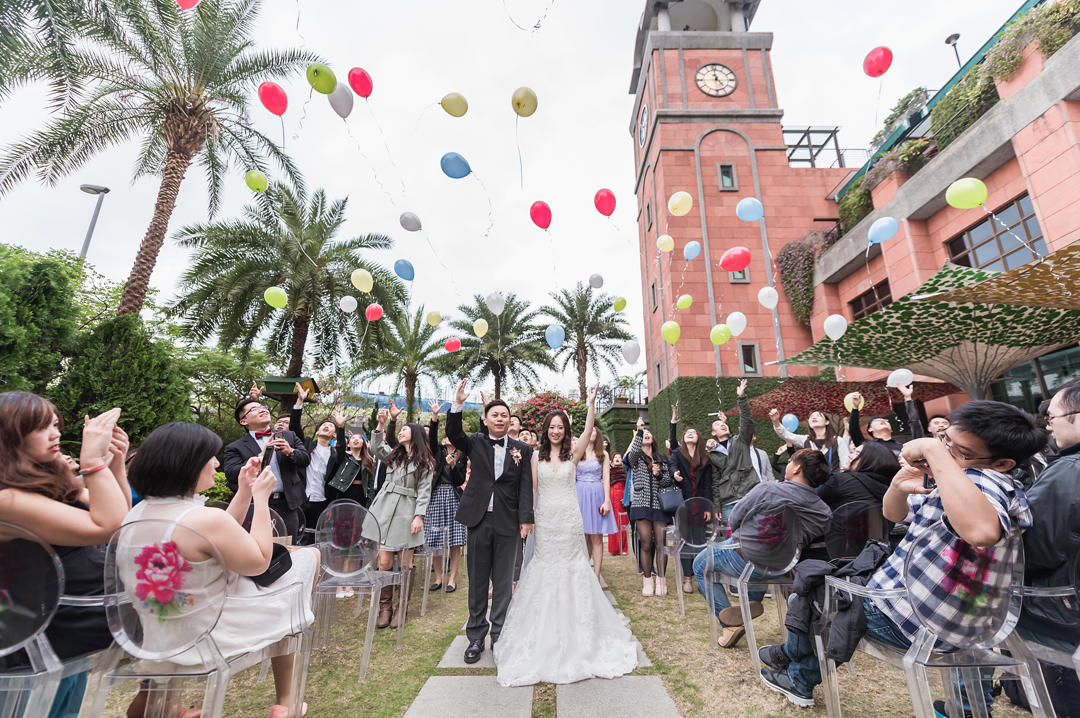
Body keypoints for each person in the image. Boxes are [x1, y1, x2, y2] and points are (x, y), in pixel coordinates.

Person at [758, 400, 1045, 710]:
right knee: (839, 587)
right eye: (945, 440)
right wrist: (898, 485)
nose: (947, 453)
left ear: (1002, 464)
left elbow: (982, 531)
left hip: (907, 616)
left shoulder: (982, 481)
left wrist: (935, 453)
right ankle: (968, 709)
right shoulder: (969, 481)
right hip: (970, 625)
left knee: (812, 587)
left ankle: (798, 675)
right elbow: (893, 515)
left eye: (960, 452)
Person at [124, 422, 319, 718]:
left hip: (158, 631)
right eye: (209, 458)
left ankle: (158, 697)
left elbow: (214, 538)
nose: (216, 464)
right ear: (186, 465)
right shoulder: (200, 519)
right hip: (209, 633)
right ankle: (286, 702)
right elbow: (259, 560)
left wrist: (243, 491)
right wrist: (261, 499)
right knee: (306, 563)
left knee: (290, 583)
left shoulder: (136, 514)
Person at [494, 384, 638, 686]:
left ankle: (580, 632)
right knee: (545, 568)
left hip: (571, 520)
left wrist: (590, 403)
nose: (556, 431)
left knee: (574, 570)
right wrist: (528, 519)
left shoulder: (574, 454)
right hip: (547, 519)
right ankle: (544, 632)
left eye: (561, 427)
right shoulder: (535, 457)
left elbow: (588, 431)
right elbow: (532, 490)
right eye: (552, 427)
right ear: (546, 430)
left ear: (565, 429)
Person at [0, 394, 130, 718]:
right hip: (30, 643)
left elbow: (121, 521)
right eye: (42, 426)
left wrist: (113, 462)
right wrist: (92, 462)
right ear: (9, 436)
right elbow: (106, 524)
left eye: (55, 424)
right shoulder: (7, 499)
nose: (55, 433)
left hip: (65, 634)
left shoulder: (45, 480)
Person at [693, 449, 832, 648]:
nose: (788, 465)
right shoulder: (823, 511)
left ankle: (728, 625)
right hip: (782, 567)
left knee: (700, 563)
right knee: (763, 560)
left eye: (791, 461)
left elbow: (734, 518)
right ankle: (747, 607)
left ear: (797, 468)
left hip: (744, 557)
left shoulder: (768, 489)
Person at [446, 379, 534, 664]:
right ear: (485, 419)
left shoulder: (522, 448)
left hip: (508, 522)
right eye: (494, 414)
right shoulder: (475, 442)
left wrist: (526, 520)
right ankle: (475, 637)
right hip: (479, 520)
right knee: (478, 580)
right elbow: (453, 433)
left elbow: (524, 486)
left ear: (510, 420)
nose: (500, 418)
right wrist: (457, 405)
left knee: (505, 579)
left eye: (504, 415)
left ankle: (499, 634)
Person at [1014, 377, 1080, 716]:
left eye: (1051, 418)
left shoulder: (1069, 470)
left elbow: (1031, 553)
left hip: (1063, 611)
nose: (1048, 427)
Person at [368, 407, 435, 630]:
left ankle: (401, 608)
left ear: (415, 435)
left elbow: (425, 491)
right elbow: (376, 446)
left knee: (405, 562)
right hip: (385, 510)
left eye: (405, 430)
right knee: (384, 562)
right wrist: (382, 423)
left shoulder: (426, 463)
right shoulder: (394, 456)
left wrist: (419, 517)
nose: (401, 432)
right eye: (401, 430)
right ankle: (384, 607)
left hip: (407, 512)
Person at [223, 395, 310, 539]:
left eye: (263, 407)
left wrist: (291, 452)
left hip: (287, 504)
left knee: (287, 549)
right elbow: (231, 474)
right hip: (255, 505)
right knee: (256, 548)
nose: (262, 410)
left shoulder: (289, 436)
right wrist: (259, 457)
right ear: (244, 421)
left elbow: (305, 460)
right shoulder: (235, 447)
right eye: (254, 409)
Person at [288, 384, 346, 542]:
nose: (327, 427)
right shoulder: (306, 445)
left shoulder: (334, 454)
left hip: (320, 501)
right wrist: (300, 401)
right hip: (300, 497)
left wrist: (340, 427)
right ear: (318, 431)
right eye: (324, 425)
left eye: (331, 427)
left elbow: (342, 449)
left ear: (333, 434)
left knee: (314, 538)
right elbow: (294, 428)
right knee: (295, 536)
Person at [625, 416, 674, 596]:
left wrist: (659, 475)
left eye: (648, 433)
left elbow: (668, 482)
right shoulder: (635, 458)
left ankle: (661, 579)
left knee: (661, 544)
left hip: (660, 506)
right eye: (643, 434)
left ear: (653, 439)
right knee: (645, 541)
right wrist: (639, 431)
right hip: (641, 504)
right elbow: (632, 455)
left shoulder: (662, 458)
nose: (646, 435)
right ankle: (647, 580)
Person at [668, 404, 713, 594]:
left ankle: (700, 576)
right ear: (683, 439)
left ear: (698, 438)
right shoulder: (678, 454)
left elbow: (709, 484)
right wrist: (675, 474)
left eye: (693, 432)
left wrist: (710, 508)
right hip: (683, 504)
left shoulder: (705, 458)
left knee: (700, 540)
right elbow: (672, 465)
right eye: (687, 433)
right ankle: (687, 578)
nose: (690, 434)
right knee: (684, 540)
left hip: (700, 504)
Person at [424, 400, 467, 593]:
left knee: (455, 540)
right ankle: (439, 577)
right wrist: (434, 417)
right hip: (436, 496)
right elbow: (431, 438)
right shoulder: (439, 452)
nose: (448, 438)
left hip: (454, 497)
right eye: (446, 436)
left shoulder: (462, 455)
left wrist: (452, 465)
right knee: (435, 538)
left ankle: (452, 579)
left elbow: (459, 481)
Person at [710, 379, 758, 527]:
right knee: (733, 541)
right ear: (713, 433)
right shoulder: (712, 455)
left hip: (750, 494)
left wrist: (742, 398)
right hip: (728, 502)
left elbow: (747, 421)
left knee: (757, 534)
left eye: (724, 423)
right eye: (718, 425)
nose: (722, 425)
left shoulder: (741, 440)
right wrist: (717, 506)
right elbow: (715, 482)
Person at [576, 425, 615, 581]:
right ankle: (583, 572)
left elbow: (606, 478)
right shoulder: (577, 452)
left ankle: (596, 575)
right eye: (588, 430)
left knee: (596, 537)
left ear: (597, 435)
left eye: (594, 430)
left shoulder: (603, 454)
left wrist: (607, 501)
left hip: (596, 495)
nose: (591, 432)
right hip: (579, 493)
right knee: (582, 536)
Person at [815, 441, 900, 509]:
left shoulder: (838, 480)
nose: (849, 456)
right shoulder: (893, 489)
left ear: (871, 460)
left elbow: (810, 504)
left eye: (857, 453)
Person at [770, 407, 849, 470]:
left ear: (827, 422)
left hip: (833, 486)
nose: (814, 417)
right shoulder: (805, 440)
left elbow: (845, 467)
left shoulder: (838, 441)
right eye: (811, 417)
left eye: (818, 416)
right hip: (811, 487)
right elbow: (785, 435)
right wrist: (776, 422)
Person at [608, 453, 629, 555]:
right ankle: (614, 549)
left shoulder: (625, 472)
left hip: (621, 498)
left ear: (622, 461)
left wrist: (626, 499)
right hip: (611, 498)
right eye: (615, 457)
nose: (617, 459)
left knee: (623, 522)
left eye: (619, 457)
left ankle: (624, 548)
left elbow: (627, 486)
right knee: (613, 522)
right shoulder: (609, 471)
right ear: (612, 460)